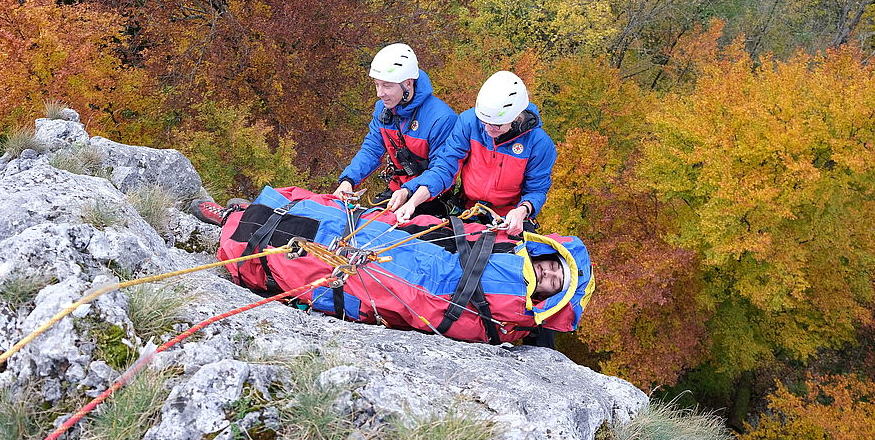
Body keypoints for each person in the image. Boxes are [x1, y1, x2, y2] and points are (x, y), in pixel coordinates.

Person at [208, 186, 593, 345]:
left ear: (550, 297)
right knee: (336, 223)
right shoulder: (508, 243)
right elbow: (449, 232)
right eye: (551, 266)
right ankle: (248, 213)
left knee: (316, 261)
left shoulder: (513, 320)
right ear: (545, 255)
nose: (547, 273)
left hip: (404, 283)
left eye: (553, 281)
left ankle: (235, 225)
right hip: (406, 244)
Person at [391, 71, 556, 237]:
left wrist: (522, 210)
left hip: (507, 217)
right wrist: (412, 198)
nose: (487, 129)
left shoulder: (539, 144)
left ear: (516, 117)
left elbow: (536, 190)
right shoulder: (469, 122)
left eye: (496, 125)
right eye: (484, 122)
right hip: (468, 208)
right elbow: (445, 168)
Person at [332, 43, 457, 216]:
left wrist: (408, 192)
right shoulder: (383, 111)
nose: (379, 93)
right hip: (397, 191)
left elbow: (442, 170)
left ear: (408, 83)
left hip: (430, 197)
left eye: (387, 86)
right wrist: (348, 180)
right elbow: (371, 149)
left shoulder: (441, 119)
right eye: (377, 84)